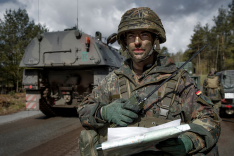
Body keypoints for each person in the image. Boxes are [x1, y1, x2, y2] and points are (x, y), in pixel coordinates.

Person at [78, 7, 221, 156]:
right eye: (131, 36)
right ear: (125, 42)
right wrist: (104, 112)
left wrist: (189, 141)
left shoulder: (179, 80)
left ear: (155, 39)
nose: (137, 42)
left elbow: (210, 118)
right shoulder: (112, 81)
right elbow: (83, 110)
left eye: (144, 34)